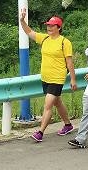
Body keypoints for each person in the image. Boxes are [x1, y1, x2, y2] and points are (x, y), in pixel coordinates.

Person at [19, 9, 77, 142]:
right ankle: (68, 125)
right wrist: (22, 21)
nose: (49, 28)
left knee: (48, 105)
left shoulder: (65, 42)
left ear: (59, 27)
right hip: (45, 77)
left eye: (52, 26)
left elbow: (69, 62)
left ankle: (40, 132)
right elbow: (29, 32)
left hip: (57, 78)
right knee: (57, 102)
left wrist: (73, 79)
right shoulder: (44, 38)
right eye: (48, 25)